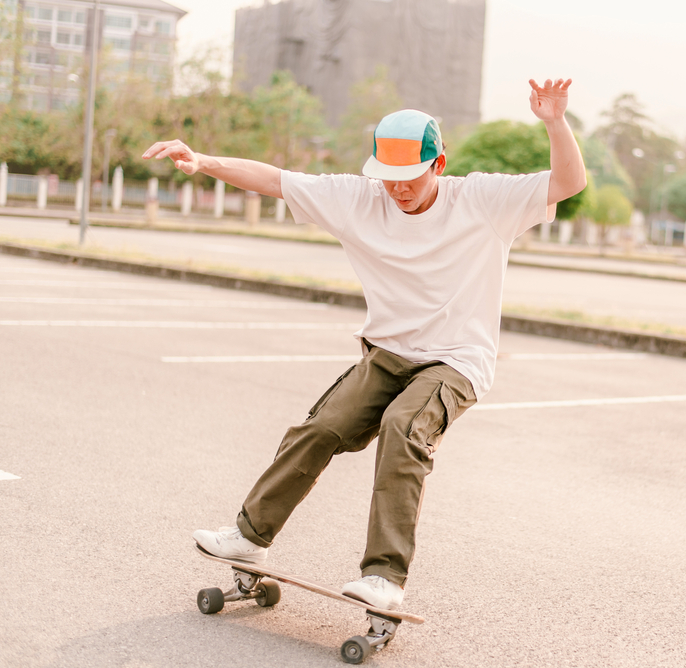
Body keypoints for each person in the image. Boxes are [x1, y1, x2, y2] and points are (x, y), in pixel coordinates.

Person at [143, 78, 586, 611]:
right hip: (386, 352)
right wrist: (204, 160)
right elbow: (277, 180)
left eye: (409, 179)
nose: (397, 190)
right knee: (320, 428)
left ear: (437, 165)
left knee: (404, 428)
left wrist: (555, 122)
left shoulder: (484, 200)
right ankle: (250, 536)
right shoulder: (358, 197)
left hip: (456, 361)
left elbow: (568, 181)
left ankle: (384, 576)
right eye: (388, 178)